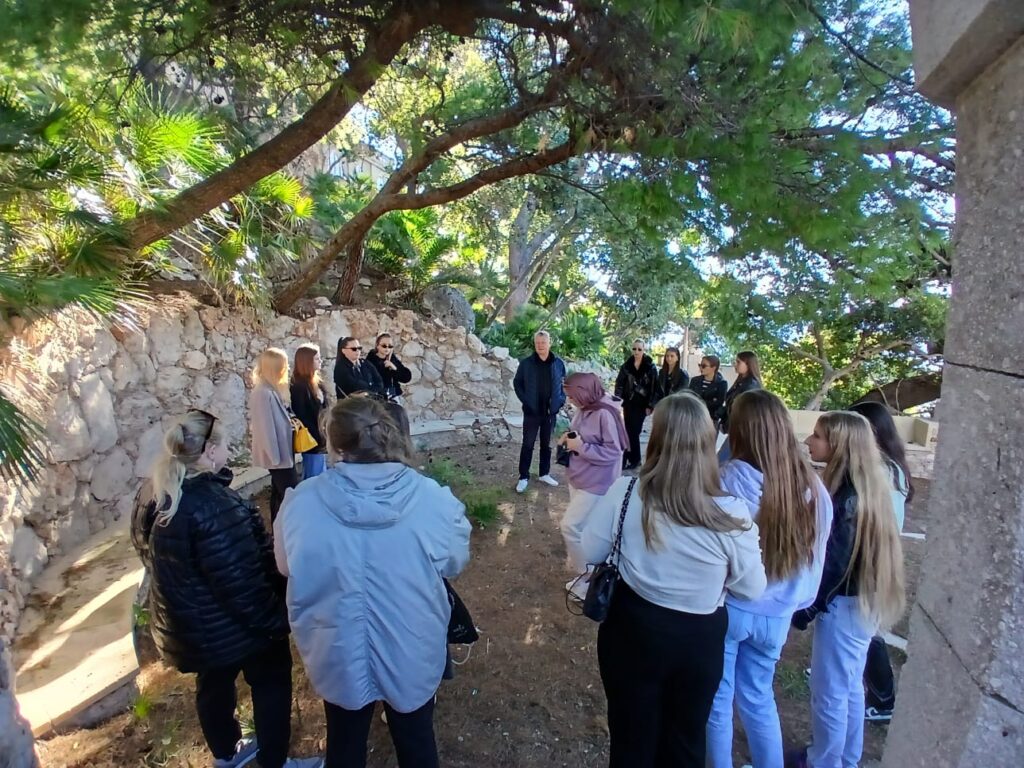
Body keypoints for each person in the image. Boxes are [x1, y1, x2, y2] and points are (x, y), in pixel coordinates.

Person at [274, 397, 471, 768]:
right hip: (412, 643)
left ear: (334, 444)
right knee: (417, 741)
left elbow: (286, 566)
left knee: (344, 742)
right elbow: (455, 562)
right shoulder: (434, 500)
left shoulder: (299, 503)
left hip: (335, 646)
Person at [580, 392, 767, 768]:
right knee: (684, 740)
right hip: (697, 640)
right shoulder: (732, 514)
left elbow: (591, 549)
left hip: (631, 629)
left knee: (630, 738)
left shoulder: (626, 492)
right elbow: (751, 589)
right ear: (707, 443)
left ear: (657, 438)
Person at [130, 410, 317, 768]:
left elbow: (148, 554)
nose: (230, 450)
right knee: (271, 681)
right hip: (233, 627)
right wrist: (277, 622)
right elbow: (243, 583)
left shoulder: (155, 493)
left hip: (194, 627)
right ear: (209, 452)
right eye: (226, 443)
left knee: (213, 684)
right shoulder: (215, 507)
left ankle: (225, 752)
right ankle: (275, 762)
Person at [705, 390, 833, 768]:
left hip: (731, 607)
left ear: (740, 431)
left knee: (718, 699)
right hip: (777, 614)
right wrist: (796, 600)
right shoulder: (813, 488)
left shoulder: (727, 480)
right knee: (759, 697)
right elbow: (816, 556)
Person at [791, 411, 906, 768]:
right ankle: (845, 758)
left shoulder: (848, 496)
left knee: (828, 693)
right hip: (861, 602)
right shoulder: (867, 486)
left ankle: (823, 761)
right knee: (850, 685)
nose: (809, 441)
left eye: (817, 436)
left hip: (844, 606)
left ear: (839, 444)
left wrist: (809, 607)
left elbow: (836, 563)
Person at [849, 401, 915, 723]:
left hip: (873, 556)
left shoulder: (882, 470)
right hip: (875, 553)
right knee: (861, 625)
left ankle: (884, 698)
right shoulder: (889, 466)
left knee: (868, 628)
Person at [556, 372, 629, 578]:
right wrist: (568, 437)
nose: (569, 400)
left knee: (570, 527)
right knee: (585, 528)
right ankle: (588, 567)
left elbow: (614, 452)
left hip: (596, 482)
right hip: (579, 477)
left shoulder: (605, 413)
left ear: (584, 392)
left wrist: (581, 447)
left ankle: (585, 576)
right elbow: (580, 433)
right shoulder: (586, 406)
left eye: (572, 396)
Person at [512, 330, 567, 493]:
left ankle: (544, 473)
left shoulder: (558, 363)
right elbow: (517, 383)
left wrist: (560, 400)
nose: (540, 345)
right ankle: (523, 477)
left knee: (546, 445)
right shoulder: (527, 363)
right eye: (537, 343)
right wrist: (526, 401)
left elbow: (564, 385)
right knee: (528, 444)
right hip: (532, 412)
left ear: (549, 343)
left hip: (550, 413)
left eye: (543, 342)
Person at [250, 347, 298, 522]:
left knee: (279, 493)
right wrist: (275, 458)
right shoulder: (263, 393)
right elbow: (265, 428)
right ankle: (287, 525)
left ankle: (278, 525)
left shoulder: (271, 389)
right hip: (278, 455)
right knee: (290, 491)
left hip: (283, 451)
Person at [614, 339, 659, 470]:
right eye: (634, 349)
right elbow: (619, 384)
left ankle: (634, 459)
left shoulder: (650, 367)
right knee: (628, 431)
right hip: (628, 403)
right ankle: (629, 459)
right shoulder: (626, 366)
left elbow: (655, 388)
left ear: (644, 350)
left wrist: (650, 405)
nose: (636, 351)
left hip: (642, 405)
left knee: (634, 431)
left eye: (639, 349)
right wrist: (617, 401)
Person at [290, 344, 330, 480]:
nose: (320, 361)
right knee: (314, 474)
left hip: (323, 435)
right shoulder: (299, 386)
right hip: (312, 438)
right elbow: (302, 414)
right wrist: (318, 434)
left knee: (322, 472)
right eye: (317, 359)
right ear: (307, 362)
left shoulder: (318, 383)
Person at [720, 350, 762, 433]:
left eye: (738, 362)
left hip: (743, 428)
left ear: (748, 364)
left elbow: (744, 410)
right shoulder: (741, 382)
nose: (735, 365)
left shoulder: (751, 385)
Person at [366, 333, 413, 403]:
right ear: (377, 346)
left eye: (390, 346)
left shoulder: (392, 359)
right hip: (377, 397)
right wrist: (382, 367)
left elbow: (406, 377)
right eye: (384, 346)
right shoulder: (371, 360)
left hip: (393, 396)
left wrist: (394, 368)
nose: (387, 348)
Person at [689, 355, 728, 427]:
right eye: (700, 365)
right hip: (694, 416)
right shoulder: (695, 380)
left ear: (713, 368)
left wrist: (698, 402)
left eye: (704, 366)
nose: (701, 368)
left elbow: (719, 402)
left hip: (711, 418)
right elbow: (689, 396)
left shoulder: (721, 383)